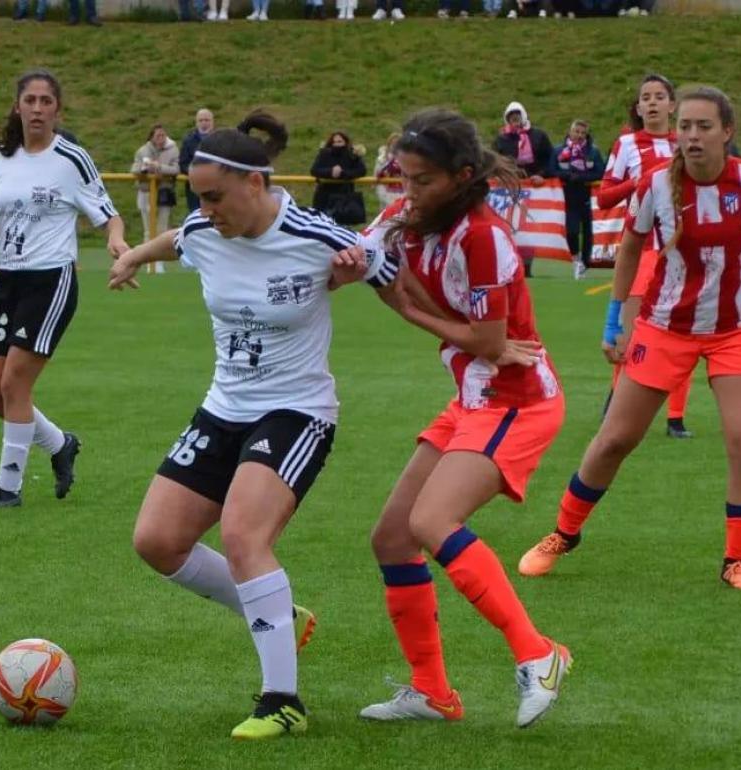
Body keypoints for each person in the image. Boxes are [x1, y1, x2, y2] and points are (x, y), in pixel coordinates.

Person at [107, 111, 400, 740]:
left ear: (256, 184)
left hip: (296, 411)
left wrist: (468, 337)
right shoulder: (204, 227)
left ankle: (282, 700)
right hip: (222, 407)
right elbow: (179, 238)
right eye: (198, 197)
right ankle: (279, 615)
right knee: (157, 541)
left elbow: (392, 274)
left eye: (215, 196)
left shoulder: (314, 234)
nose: (206, 209)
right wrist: (132, 255)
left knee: (244, 535)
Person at [519, 86, 741, 591]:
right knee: (615, 439)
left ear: (727, 132)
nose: (691, 136)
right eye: (686, 127)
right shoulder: (655, 185)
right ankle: (563, 534)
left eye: (704, 127)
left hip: (736, 330)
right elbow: (628, 249)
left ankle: (735, 560)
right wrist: (615, 319)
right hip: (664, 328)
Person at [348, 108, 571, 728]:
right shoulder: (405, 216)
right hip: (474, 397)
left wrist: (403, 306)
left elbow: (487, 340)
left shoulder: (483, 237)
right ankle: (433, 693)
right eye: (402, 178)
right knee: (392, 538)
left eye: (421, 181)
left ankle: (540, 654)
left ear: (461, 177)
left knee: (431, 520)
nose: (406, 193)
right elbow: (351, 257)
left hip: (517, 400)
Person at [0, 69, 127, 508]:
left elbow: (110, 215)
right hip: (7, 281)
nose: (37, 108)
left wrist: (115, 240)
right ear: (18, 106)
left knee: (15, 384)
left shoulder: (71, 158)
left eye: (45, 101)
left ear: (57, 109)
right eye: (29, 100)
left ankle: (7, 488)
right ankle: (59, 445)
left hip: (51, 280)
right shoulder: (1, 158)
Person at [580, 75, 694, 446]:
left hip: (682, 251)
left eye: (661, 96)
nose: (654, 103)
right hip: (643, 251)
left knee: (685, 332)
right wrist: (640, 182)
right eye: (647, 97)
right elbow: (605, 197)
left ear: (673, 105)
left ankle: (676, 418)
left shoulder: (686, 144)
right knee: (631, 335)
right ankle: (615, 406)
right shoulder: (627, 144)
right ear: (640, 106)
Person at [494, 101, 553, 277]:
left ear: (524, 116)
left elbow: (550, 158)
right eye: (511, 118)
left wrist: (542, 175)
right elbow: (494, 160)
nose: (515, 121)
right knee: (509, 226)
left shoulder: (538, 136)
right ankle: (509, 265)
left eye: (517, 117)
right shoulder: (502, 139)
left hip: (534, 188)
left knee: (529, 228)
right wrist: (501, 174)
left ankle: (526, 267)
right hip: (509, 188)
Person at [554, 119, 604, 278]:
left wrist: (582, 177)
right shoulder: (559, 151)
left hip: (588, 197)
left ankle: (585, 263)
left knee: (589, 233)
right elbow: (551, 170)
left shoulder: (593, 152)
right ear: (570, 132)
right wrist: (567, 175)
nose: (580, 135)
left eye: (583, 133)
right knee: (571, 231)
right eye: (577, 132)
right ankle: (576, 259)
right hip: (568, 197)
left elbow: (600, 173)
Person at [131, 123, 181, 273]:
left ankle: (159, 263)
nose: (161, 138)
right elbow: (134, 169)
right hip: (146, 193)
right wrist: (144, 169)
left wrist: (159, 167)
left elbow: (176, 169)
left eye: (163, 135)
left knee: (162, 229)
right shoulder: (143, 150)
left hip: (164, 193)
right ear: (151, 137)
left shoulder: (173, 149)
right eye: (158, 135)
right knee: (149, 230)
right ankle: (148, 262)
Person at [310, 131, 367, 225]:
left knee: (342, 226)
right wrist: (330, 172)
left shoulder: (352, 155)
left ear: (345, 142)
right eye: (334, 142)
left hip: (344, 197)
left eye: (339, 141)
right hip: (324, 197)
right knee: (322, 225)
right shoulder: (324, 154)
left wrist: (343, 173)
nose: (336, 144)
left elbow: (361, 170)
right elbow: (314, 170)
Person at [180, 109, 215, 215]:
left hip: (214, 185)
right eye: (201, 120)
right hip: (194, 188)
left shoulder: (220, 139)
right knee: (196, 214)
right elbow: (183, 163)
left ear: (212, 122)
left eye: (207, 120)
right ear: (196, 122)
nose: (204, 123)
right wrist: (196, 172)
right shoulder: (188, 140)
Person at [374, 132, 404, 208]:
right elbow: (377, 173)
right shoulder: (382, 159)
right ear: (389, 144)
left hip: (402, 191)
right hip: (386, 191)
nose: (395, 146)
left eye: (397, 143)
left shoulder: (407, 159)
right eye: (393, 143)